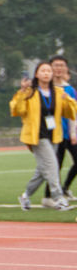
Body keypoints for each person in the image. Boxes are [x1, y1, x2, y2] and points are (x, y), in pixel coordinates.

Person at [10, 61, 77, 212]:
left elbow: (70, 112)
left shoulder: (59, 92)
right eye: (43, 71)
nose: (46, 73)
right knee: (53, 165)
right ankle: (58, 198)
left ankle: (26, 196)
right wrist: (21, 91)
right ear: (37, 74)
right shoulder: (30, 92)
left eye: (48, 71)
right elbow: (17, 110)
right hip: (37, 135)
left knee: (42, 169)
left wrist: (69, 100)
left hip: (53, 134)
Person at [47, 56, 77, 199]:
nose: (59, 68)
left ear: (66, 69)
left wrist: (73, 132)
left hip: (69, 132)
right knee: (55, 165)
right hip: (54, 133)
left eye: (62, 65)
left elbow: (73, 112)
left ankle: (64, 187)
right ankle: (50, 196)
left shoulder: (69, 89)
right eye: (56, 65)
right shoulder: (46, 89)